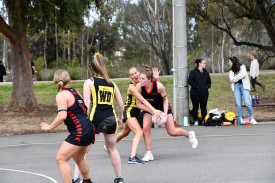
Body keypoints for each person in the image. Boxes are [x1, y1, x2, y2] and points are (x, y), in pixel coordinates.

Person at [73, 52, 125, 183]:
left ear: (92, 68)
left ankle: (76, 179)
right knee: (112, 149)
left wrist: (82, 120)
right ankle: (119, 178)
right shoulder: (112, 83)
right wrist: (120, 118)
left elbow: (86, 105)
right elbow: (121, 104)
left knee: (83, 151)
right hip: (111, 118)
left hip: (95, 118)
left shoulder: (89, 82)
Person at [40, 70, 95, 183]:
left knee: (61, 158)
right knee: (79, 158)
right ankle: (87, 181)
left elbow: (62, 116)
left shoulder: (61, 95)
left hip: (81, 130)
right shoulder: (75, 92)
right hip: (89, 128)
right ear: (69, 81)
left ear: (55, 83)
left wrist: (49, 127)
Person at [136, 65, 198, 162]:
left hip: (162, 108)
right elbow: (138, 104)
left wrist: (164, 114)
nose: (140, 80)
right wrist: (153, 111)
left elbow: (165, 100)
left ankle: (189, 134)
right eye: (140, 78)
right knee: (146, 129)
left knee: (172, 132)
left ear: (149, 79)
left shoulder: (159, 86)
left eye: (143, 78)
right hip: (149, 109)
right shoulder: (139, 87)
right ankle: (149, 153)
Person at [112, 67, 162, 164]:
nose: (135, 75)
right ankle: (132, 157)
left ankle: (109, 145)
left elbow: (155, 90)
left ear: (139, 73)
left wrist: (156, 79)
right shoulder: (132, 87)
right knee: (139, 132)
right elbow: (142, 100)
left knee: (125, 133)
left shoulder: (142, 84)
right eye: (132, 74)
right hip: (129, 111)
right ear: (130, 77)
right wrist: (154, 110)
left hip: (137, 112)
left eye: (135, 73)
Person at [228, 56, 257, 125]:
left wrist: (235, 78)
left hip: (244, 86)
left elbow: (243, 74)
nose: (228, 63)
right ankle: (240, 119)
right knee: (238, 104)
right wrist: (238, 77)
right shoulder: (231, 71)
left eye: (229, 61)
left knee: (248, 103)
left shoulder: (242, 66)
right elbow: (231, 79)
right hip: (236, 87)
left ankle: (252, 118)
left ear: (233, 62)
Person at [188, 59, 211, 125]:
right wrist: (197, 87)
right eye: (204, 63)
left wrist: (207, 86)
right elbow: (190, 81)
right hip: (195, 93)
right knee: (195, 107)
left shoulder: (206, 72)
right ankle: (195, 120)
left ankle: (204, 119)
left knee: (203, 107)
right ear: (199, 64)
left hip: (204, 93)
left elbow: (209, 81)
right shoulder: (193, 72)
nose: (205, 64)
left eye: (205, 63)